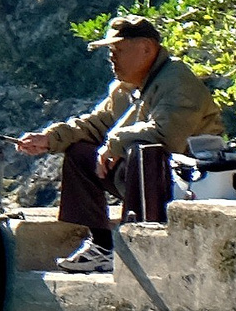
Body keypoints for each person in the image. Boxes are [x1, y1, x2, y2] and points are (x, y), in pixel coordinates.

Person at [14, 14, 224, 273]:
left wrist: (114, 143)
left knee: (144, 155)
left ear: (147, 48)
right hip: (149, 179)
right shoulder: (125, 88)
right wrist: (50, 139)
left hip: (187, 181)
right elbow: (96, 123)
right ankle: (102, 247)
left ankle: (138, 243)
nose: (112, 57)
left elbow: (167, 136)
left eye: (118, 50)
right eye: (110, 51)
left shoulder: (177, 80)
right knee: (80, 153)